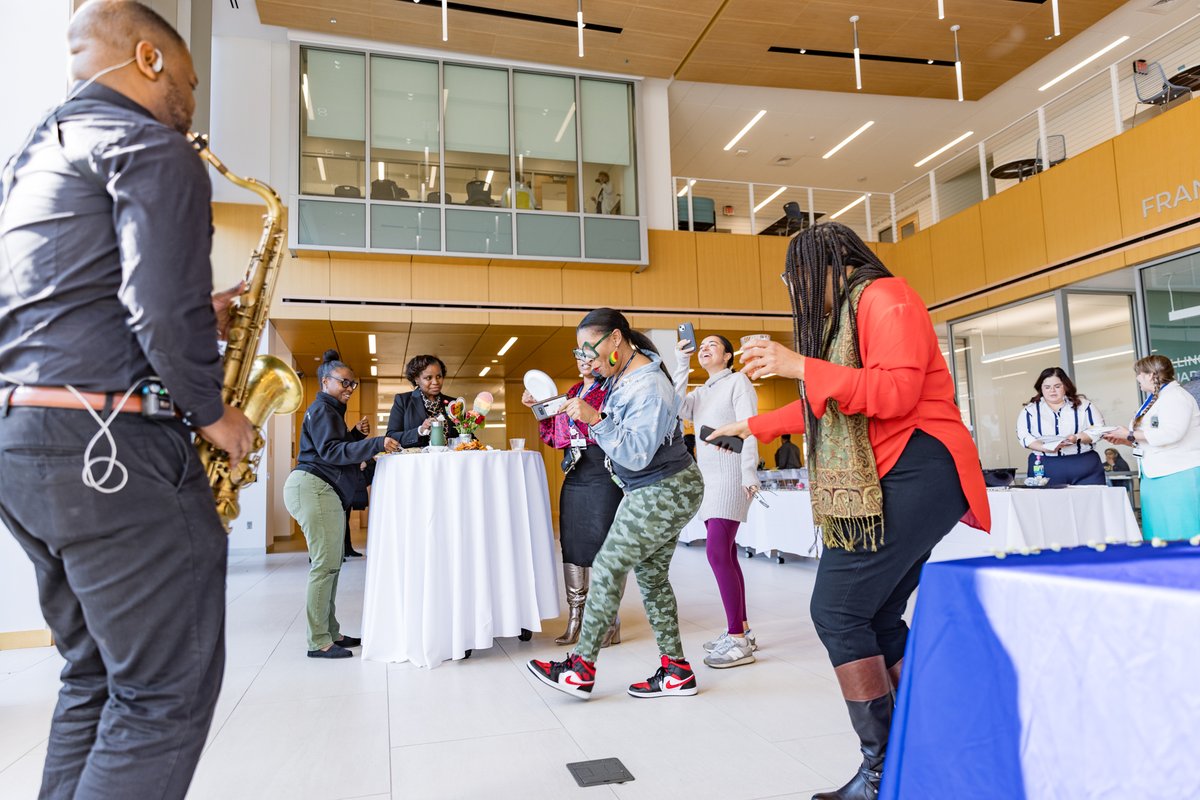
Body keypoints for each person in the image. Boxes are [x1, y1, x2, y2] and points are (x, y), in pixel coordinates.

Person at [0, 3, 259, 797]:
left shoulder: (36, 154)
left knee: (95, 677)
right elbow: (154, 308)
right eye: (186, 80)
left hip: (26, 440)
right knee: (161, 698)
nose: (190, 101)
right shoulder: (152, 144)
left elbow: (69, 299)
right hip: (110, 450)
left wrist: (193, 310)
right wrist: (216, 415)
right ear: (148, 59)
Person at [707, 222, 989, 800]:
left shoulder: (888, 297)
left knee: (836, 609)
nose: (794, 290)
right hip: (899, 472)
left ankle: (884, 770)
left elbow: (894, 394)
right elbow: (825, 405)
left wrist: (799, 366)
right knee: (876, 616)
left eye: (795, 277)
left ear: (828, 266)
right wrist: (748, 427)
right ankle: (928, 751)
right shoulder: (849, 317)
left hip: (919, 466)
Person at [528, 309, 705, 700]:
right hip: (655, 487)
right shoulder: (621, 376)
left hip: (664, 488)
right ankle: (676, 672)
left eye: (588, 349)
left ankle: (580, 668)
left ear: (615, 340)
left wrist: (595, 420)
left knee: (607, 565)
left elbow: (637, 454)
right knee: (652, 579)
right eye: (579, 353)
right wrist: (549, 404)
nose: (585, 358)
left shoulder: (647, 387)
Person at [285, 353, 399, 658]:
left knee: (332, 565)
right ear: (326, 382)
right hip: (313, 487)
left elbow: (330, 448)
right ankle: (319, 640)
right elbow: (331, 452)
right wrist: (375, 443)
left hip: (318, 487)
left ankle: (331, 632)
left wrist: (353, 436)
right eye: (343, 382)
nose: (349, 387)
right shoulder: (323, 407)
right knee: (324, 566)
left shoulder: (329, 410)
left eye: (352, 383)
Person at [672, 334, 762, 669]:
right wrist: (681, 362)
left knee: (715, 552)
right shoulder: (702, 392)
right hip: (709, 478)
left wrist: (749, 472)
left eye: (714, 344)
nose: (705, 347)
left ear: (727, 356)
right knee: (725, 554)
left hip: (731, 475)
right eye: (703, 344)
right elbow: (675, 406)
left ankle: (737, 639)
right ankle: (743, 630)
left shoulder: (738, 382)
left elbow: (749, 427)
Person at [522, 356, 624, 647]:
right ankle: (576, 620)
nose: (583, 360)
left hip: (603, 473)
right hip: (575, 473)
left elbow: (615, 430)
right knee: (572, 545)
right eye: (579, 355)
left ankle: (608, 622)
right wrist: (537, 410)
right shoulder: (570, 393)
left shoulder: (612, 390)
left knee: (605, 547)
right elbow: (556, 438)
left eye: (590, 355)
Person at [1103, 355, 1200, 542]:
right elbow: (1151, 436)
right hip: (1155, 475)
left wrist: (1130, 435)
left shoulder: (1176, 396)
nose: (1137, 378)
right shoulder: (1157, 398)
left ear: (1151, 375)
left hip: (1176, 474)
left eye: (1139, 373)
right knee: (1159, 532)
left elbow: (1171, 434)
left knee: (1181, 530)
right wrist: (1126, 440)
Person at [1016, 367, 1107, 485]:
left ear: (1065, 386)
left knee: (1091, 501)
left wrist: (1076, 438)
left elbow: (1099, 429)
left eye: (1057, 386)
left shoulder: (1084, 405)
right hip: (1045, 465)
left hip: (1084, 464)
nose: (1052, 391)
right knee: (1049, 503)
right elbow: (1024, 436)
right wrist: (1045, 447)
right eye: (1047, 387)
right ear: (1041, 389)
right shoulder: (1030, 410)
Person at [386, 354, 458, 447]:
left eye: (439, 376)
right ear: (416, 379)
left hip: (449, 460)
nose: (435, 382)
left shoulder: (454, 404)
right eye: (428, 378)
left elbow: (466, 435)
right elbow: (391, 437)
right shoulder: (403, 401)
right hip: (416, 461)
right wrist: (420, 430)